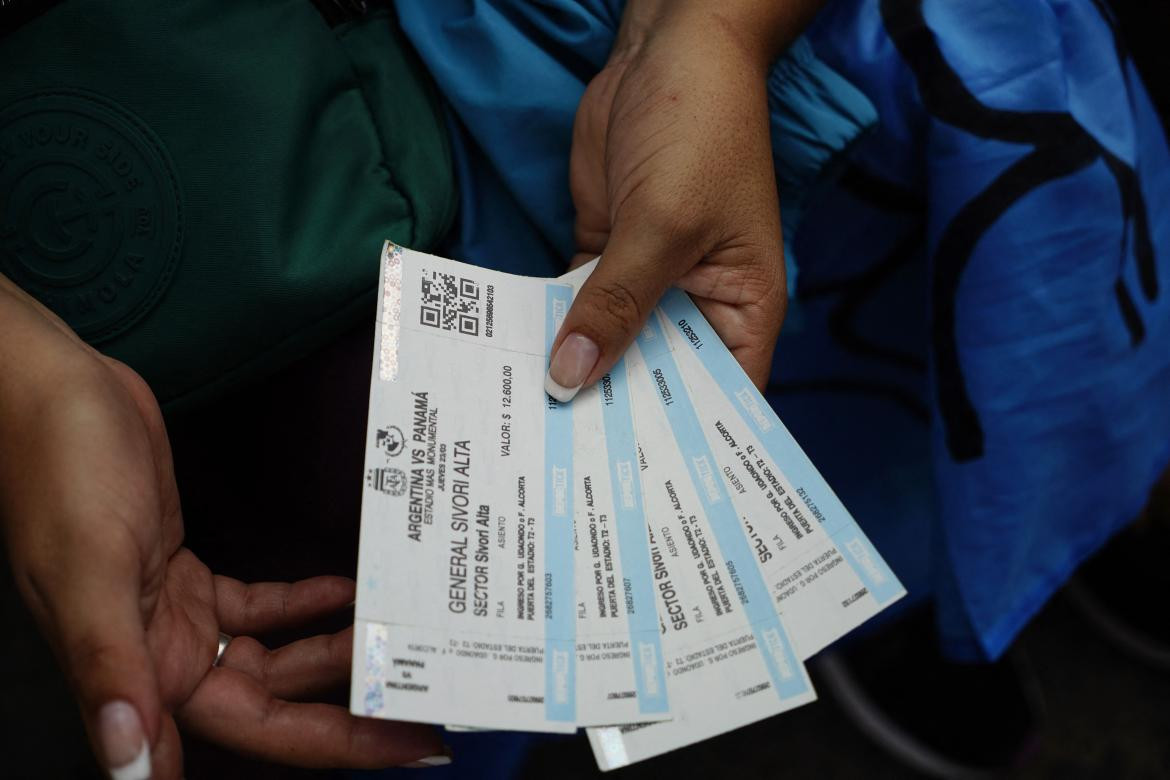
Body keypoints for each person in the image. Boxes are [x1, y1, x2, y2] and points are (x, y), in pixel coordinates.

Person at [2, 2, 1168, 779]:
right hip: (318, 155)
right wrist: (19, 373)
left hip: (783, 61)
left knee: (986, 324)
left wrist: (714, 25)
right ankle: (925, 582)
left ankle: (1001, 555)